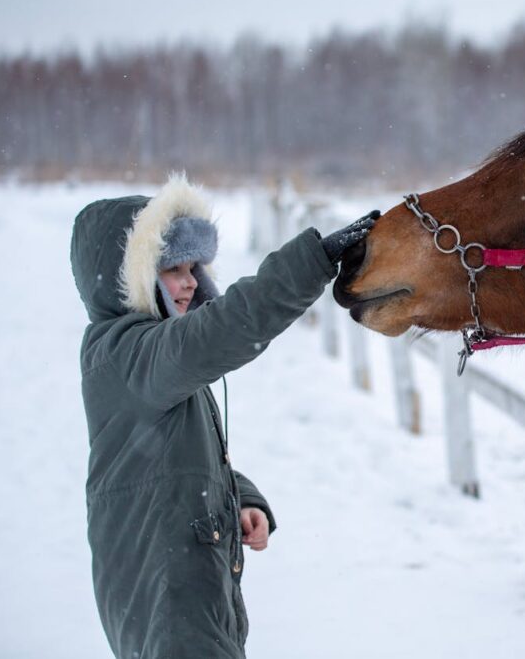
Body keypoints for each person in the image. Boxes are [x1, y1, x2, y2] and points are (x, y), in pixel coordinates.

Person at [69, 174, 377, 658]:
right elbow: (225, 328)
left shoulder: (149, 356)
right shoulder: (129, 353)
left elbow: (178, 463)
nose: (190, 281)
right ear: (132, 275)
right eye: (173, 269)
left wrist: (241, 499)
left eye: (194, 267)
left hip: (189, 583)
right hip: (168, 595)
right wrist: (312, 261)